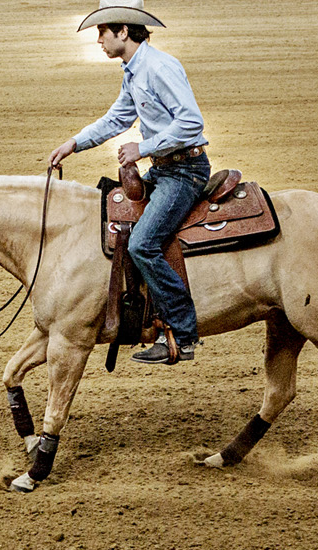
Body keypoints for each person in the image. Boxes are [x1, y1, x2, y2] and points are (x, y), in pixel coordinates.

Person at [50, 0, 210, 364]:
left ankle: (183, 334)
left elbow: (191, 123)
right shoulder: (133, 71)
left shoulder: (159, 67)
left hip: (184, 171)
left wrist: (143, 147)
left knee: (142, 244)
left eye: (102, 32)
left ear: (124, 31)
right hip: (166, 168)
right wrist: (74, 144)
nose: (98, 41)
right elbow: (116, 119)